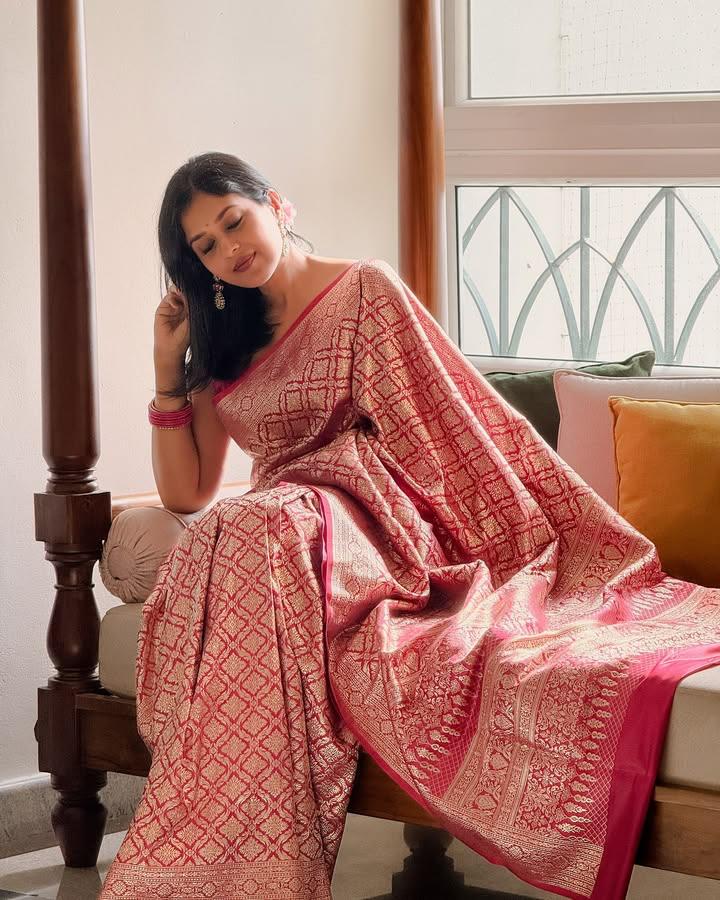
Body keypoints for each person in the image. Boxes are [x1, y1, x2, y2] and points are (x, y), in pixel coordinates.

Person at [99, 152, 720, 900]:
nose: (230, 248)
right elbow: (187, 489)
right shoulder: (224, 336)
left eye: (234, 221)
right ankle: (240, 863)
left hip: (382, 523)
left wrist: (499, 543)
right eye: (206, 247)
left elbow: (443, 428)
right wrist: (168, 370)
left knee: (256, 525)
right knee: (239, 526)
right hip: (288, 529)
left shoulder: (363, 290)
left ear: (275, 203)